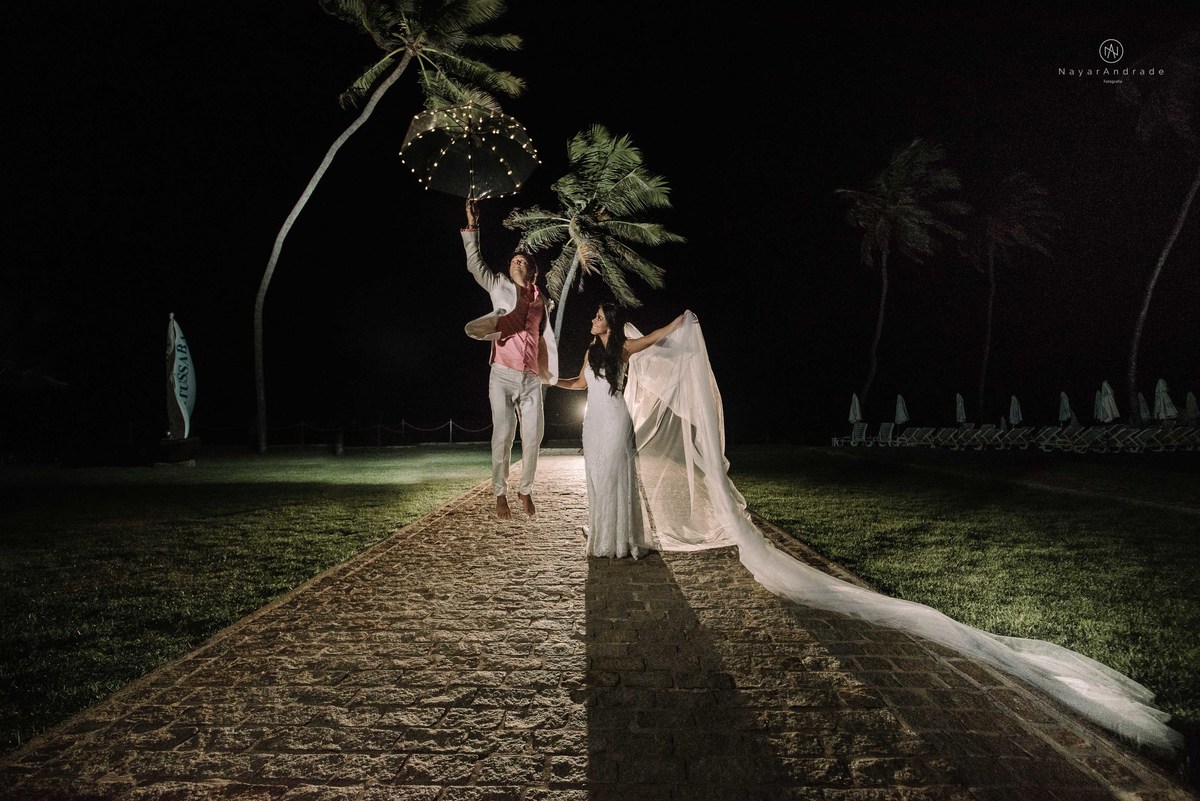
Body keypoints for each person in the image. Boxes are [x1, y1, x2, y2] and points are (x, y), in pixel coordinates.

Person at [553, 302, 684, 558]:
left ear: (610, 325)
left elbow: (652, 337)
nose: (593, 320)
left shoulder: (624, 348)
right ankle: (603, 532)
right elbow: (580, 383)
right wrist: (552, 381)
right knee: (596, 475)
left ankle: (623, 537)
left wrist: (679, 321)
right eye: (595, 316)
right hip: (593, 422)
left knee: (613, 474)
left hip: (616, 418)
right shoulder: (591, 351)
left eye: (599, 317)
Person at [461, 199, 558, 520]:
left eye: (522, 261)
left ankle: (525, 489)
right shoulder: (499, 285)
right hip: (502, 374)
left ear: (533, 271)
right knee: (502, 436)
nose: (516, 262)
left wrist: (547, 371)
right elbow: (475, 264)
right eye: (513, 260)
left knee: (534, 438)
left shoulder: (542, 300)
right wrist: (473, 225)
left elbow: (543, 337)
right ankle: (500, 493)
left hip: (531, 378)